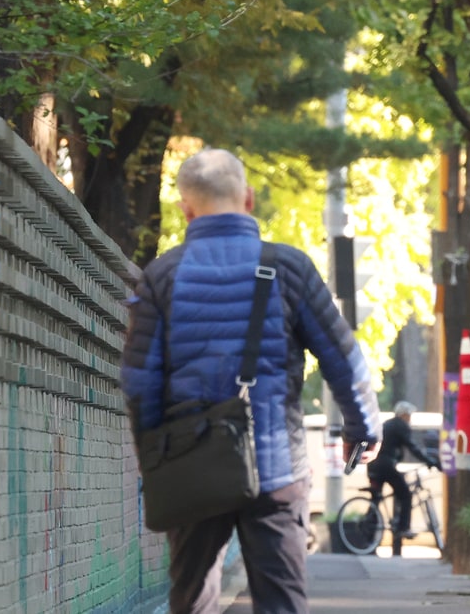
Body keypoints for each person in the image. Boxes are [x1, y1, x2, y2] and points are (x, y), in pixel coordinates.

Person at [121, 148, 382, 614]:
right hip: (277, 467)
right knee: (281, 602)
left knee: (193, 600)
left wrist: (155, 463)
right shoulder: (289, 269)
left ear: (186, 208)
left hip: (191, 465)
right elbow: (343, 357)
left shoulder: (161, 277)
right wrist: (363, 429)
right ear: (249, 198)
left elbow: (140, 384)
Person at [367, 401, 442, 539]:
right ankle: (403, 528)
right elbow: (412, 447)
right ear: (404, 415)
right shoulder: (401, 426)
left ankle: (368, 537)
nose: (410, 418)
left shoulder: (387, 424)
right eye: (409, 415)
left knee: (376, 499)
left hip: (373, 464)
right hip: (386, 465)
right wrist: (430, 461)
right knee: (406, 495)